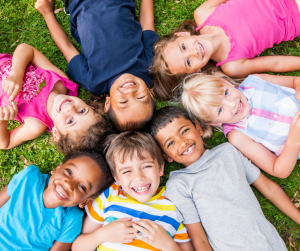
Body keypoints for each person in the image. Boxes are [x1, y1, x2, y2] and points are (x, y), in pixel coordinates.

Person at [150, 106, 300, 250]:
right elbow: (199, 239)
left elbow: (268, 188)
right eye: (170, 143)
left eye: (184, 131)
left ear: (198, 129)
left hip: (272, 243)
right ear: (167, 157)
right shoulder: (179, 184)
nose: (182, 142)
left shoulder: (228, 152)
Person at [35, 0, 158, 131]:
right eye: (140, 97)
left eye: (123, 102)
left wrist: (47, 12)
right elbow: (146, 24)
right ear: (150, 95)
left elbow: (67, 48)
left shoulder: (94, 82)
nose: (130, 92)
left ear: (108, 103)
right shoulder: (149, 66)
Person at [152, 0, 300, 100]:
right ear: (196, 71)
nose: (193, 52)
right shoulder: (232, 66)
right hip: (295, 16)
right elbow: (276, 63)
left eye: (183, 47)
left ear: (182, 35)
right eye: (189, 62)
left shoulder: (203, 13)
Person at [72, 131, 194, 251]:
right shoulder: (110, 194)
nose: (139, 177)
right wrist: (102, 235)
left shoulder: (174, 204)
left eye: (146, 166)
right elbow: (77, 247)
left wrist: (168, 246)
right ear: (117, 178)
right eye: (127, 171)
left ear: (160, 168)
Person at [181, 72, 300, 179]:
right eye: (220, 110)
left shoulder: (256, 81)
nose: (232, 104)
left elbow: (295, 81)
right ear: (213, 122)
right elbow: (278, 170)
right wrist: (294, 141)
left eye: (226, 93)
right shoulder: (238, 135)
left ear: (226, 82)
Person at [0, 43, 110, 153]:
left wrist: (2, 119)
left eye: (70, 121)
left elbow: (6, 143)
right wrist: (16, 74)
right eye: (82, 111)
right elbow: (27, 49)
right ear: (90, 106)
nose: (70, 108)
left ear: (56, 133)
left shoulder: (36, 124)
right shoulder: (60, 82)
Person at [0, 151, 114, 251]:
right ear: (57, 168)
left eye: (82, 187)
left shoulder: (71, 219)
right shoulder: (30, 177)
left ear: (85, 202)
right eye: (69, 172)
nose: (68, 184)